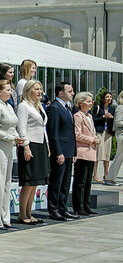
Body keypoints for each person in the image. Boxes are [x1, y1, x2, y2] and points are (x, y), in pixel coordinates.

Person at [15, 80, 51, 225]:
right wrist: (26, 147)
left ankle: (29, 213)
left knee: (35, 182)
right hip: (30, 145)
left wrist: (47, 145)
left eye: (40, 89)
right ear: (28, 90)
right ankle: (22, 214)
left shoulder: (39, 106)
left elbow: (43, 128)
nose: (39, 92)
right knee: (28, 182)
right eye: (36, 89)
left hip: (40, 144)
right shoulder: (23, 106)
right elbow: (22, 129)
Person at [0, 79, 22, 230]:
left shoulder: (8, 106)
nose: (10, 92)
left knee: (7, 182)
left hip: (9, 147)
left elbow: (13, 126)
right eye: (7, 90)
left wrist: (19, 138)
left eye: (10, 90)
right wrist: (12, 138)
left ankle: (5, 217)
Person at [46, 82, 79, 221]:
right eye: (70, 91)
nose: (73, 93)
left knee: (66, 182)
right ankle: (53, 209)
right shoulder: (54, 108)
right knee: (56, 181)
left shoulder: (67, 108)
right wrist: (58, 152)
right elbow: (53, 133)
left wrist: (74, 152)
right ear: (61, 93)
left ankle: (63, 207)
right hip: (60, 152)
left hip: (69, 150)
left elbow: (70, 132)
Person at [73, 91, 100, 217]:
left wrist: (95, 138)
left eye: (91, 101)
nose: (91, 103)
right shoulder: (78, 116)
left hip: (91, 152)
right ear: (80, 103)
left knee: (88, 181)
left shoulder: (89, 117)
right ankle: (79, 206)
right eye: (88, 101)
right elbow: (77, 134)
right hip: (82, 152)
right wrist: (92, 140)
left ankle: (86, 204)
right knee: (80, 181)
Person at [92, 90, 115, 184]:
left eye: (110, 97)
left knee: (106, 154)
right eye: (107, 97)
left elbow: (115, 121)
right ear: (103, 98)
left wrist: (112, 118)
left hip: (108, 132)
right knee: (98, 154)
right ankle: (95, 174)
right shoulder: (97, 107)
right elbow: (93, 119)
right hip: (99, 132)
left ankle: (106, 174)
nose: (109, 98)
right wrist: (103, 116)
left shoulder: (112, 109)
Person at [110, 92, 123, 184]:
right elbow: (118, 122)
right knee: (119, 156)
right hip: (121, 134)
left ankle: (110, 177)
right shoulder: (120, 107)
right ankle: (110, 177)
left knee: (119, 157)